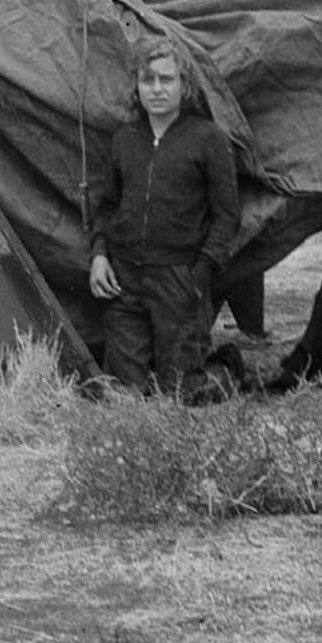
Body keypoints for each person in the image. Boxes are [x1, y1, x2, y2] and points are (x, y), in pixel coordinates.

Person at [89, 36, 240, 397]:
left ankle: (229, 370)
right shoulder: (125, 139)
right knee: (126, 394)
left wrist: (198, 277)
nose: (157, 89)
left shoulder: (209, 139)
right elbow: (109, 206)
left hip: (178, 281)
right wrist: (98, 255)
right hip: (124, 281)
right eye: (148, 80)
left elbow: (227, 217)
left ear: (184, 86)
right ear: (137, 86)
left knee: (180, 394)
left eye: (167, 80)